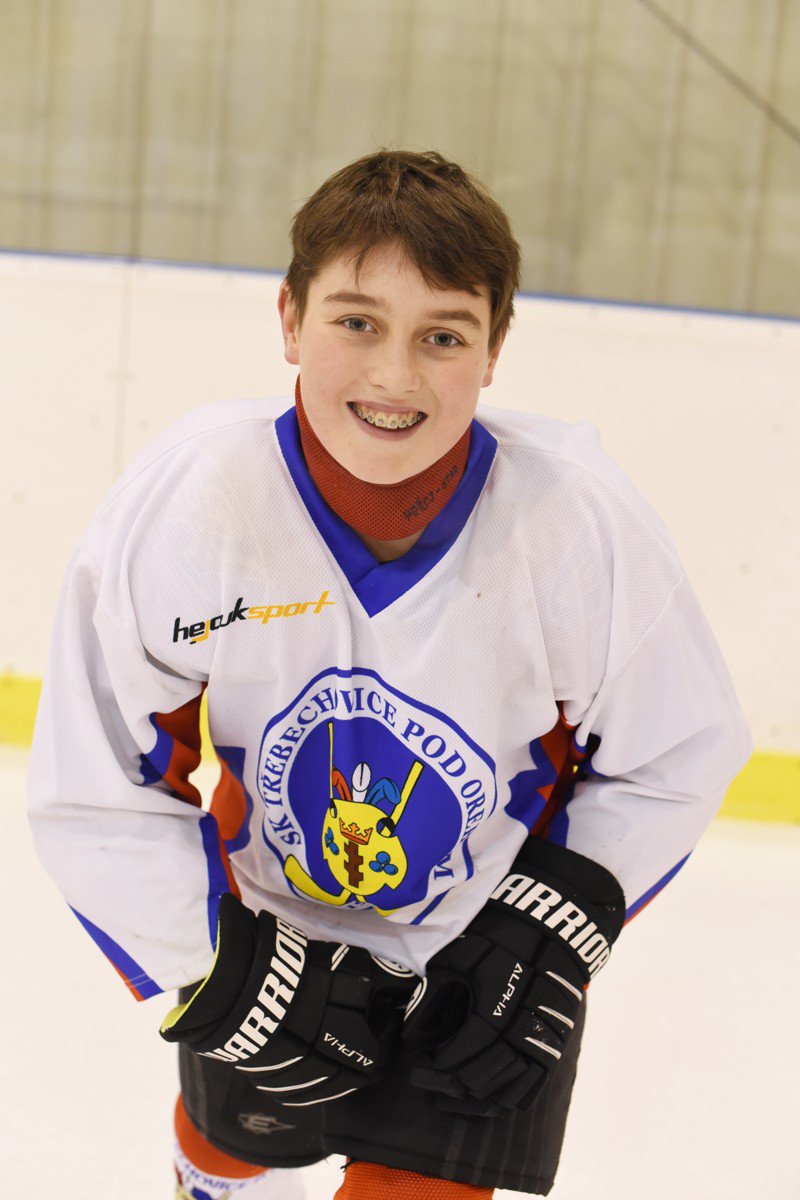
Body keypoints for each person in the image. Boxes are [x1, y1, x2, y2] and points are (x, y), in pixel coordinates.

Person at [28, 149, 751, 1200]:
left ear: (495, 349)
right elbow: (93, 780)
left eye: (442, 336)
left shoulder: (574, 523)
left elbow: (676, 752)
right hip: (269, 930)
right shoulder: (193, 500)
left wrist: (545, 929)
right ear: (288, 318)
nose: (394, 377)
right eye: (357, 321)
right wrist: (213, 967)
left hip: (481, 961)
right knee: (230, 1145)